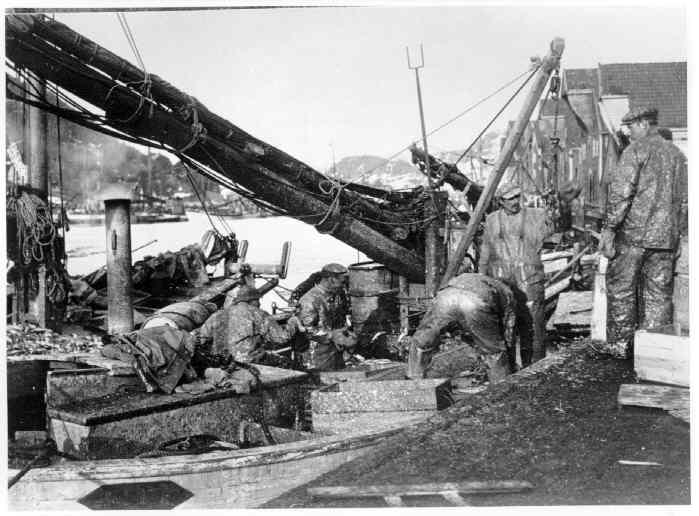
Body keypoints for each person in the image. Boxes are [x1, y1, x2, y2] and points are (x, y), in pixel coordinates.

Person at [598, 106, 687, 358]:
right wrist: (677, 234)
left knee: (622, 289)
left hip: (634, 236)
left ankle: (621, 347)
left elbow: (620, 194)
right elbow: (684, 202)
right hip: (665, 239)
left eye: (631, 126)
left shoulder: (635, 151)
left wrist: (609, 229)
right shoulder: (677, 155)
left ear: (644, 124)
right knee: (658, 294)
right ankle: (656, 349)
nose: (628, 132)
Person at [478, 181, 580, 367]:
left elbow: (560, 224)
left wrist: (563, 204)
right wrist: (481, 278)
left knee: (533, 329)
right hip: (501, 282)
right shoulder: (492, 220)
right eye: (510, 199)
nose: (515, 201)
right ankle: (505, 372)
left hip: (530, 282)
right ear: (501, 201)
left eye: (518, 196)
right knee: (504, 328)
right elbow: (485, 251)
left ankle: (533, 371)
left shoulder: (536, 215)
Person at [405, 273, 516, 382]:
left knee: (422, 342)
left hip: (445, 298)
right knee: (494, 351)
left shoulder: (477, 278)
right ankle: (501, 388)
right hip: (475, 302)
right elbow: (508, 329)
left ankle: (412, 381)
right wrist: (506, 354)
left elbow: (463, 323)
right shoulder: (506, 291)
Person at [195, 285, 299, 366]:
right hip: (248, 362)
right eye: (258, 300)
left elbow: (201, 338)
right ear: (252, 300)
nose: (259, 304)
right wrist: (293, 322)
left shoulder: (217, 315)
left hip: (221, 362)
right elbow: (282, 338)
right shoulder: (257, 313)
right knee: (287, 362)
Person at [295, 263, 356, 371]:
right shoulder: (309, 300)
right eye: (342, 282)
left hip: (335, 353)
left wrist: (346, 333)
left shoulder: (338, 295)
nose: (344, 285)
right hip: (315, 358)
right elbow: (307, 330)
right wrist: (332, 336)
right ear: (331, 279)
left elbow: (339, 320)